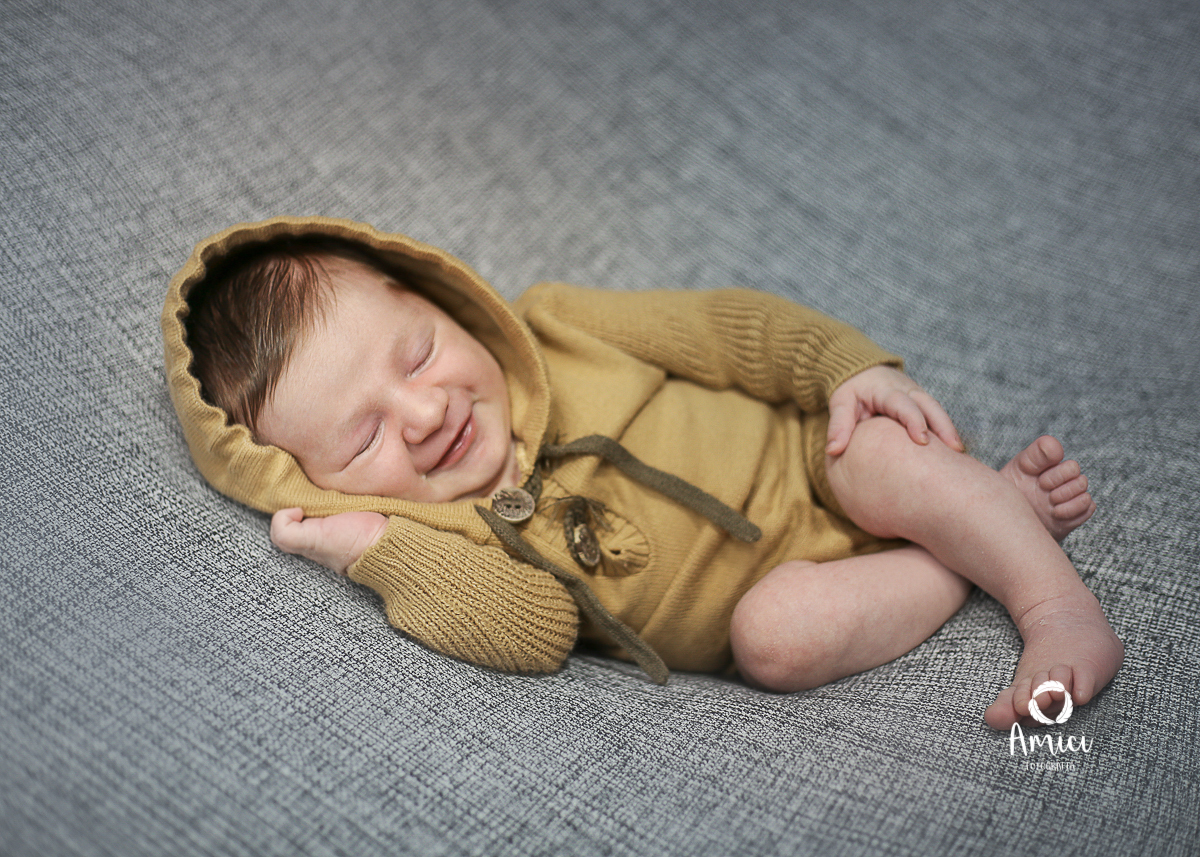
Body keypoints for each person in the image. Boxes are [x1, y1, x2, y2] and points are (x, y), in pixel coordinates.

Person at [163, 216, 1123, 730]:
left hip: (812, 465)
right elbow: (534, 634)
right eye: (364, 439)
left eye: (418, 354)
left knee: (872, 455)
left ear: (447, 301)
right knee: (775, 641)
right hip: (788, 596)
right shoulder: (445, 540)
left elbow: (724, 330)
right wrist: (375, 548)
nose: (424, 415)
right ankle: (975, 533)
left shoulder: (560, 327)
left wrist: (842, 370)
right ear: (322, 488)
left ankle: (1054, 606)